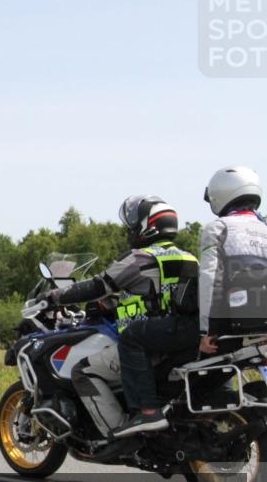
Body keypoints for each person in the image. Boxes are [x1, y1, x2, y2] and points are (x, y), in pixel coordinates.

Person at [37, 196, 196, 438]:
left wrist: (53, 297)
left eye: (131, 226)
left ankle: (117, 433)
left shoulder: (139, 258)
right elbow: (157, 296)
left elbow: (97, 285)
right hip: (177, 340)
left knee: (83, 371)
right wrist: (109, 306)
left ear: (145, 227)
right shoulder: (188, 258)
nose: (129, 232)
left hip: (146, 346)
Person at [196, 166, 267, 356]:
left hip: (231, 323)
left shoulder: (218, 228)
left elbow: (210, 279)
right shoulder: (265, 228)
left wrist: (207, 330)